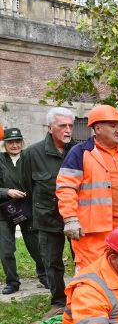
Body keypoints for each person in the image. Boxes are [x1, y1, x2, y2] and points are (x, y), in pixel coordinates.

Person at [56, 105, 118, 272]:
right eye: (113, 126)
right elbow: (66, 188)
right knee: (93, 276)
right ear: (97, 128)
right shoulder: (80, 153)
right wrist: (70, 219)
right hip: (93, 233)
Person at [20, 107, 75, 310]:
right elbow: (26, 186)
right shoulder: (32, 154)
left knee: (83, 259)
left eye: (70, 125)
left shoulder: (79, 151)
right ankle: (59, 301)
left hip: (76, 218)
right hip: (47, 218)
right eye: (63, 126)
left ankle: (83, 298)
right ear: (50, 127)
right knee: (52, 262)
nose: (68, 130)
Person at [0, 128, 48, 294]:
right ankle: (12, 282)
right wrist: (7, 192)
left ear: (22, 142)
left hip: (28, 208)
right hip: (4, 211)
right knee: (6, 249)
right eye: (10, 142)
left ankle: (44, 276)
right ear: (5, 144)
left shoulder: (30, 156)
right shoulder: (0, 159)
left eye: (17, 141)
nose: (14, 145)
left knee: (36, 245)